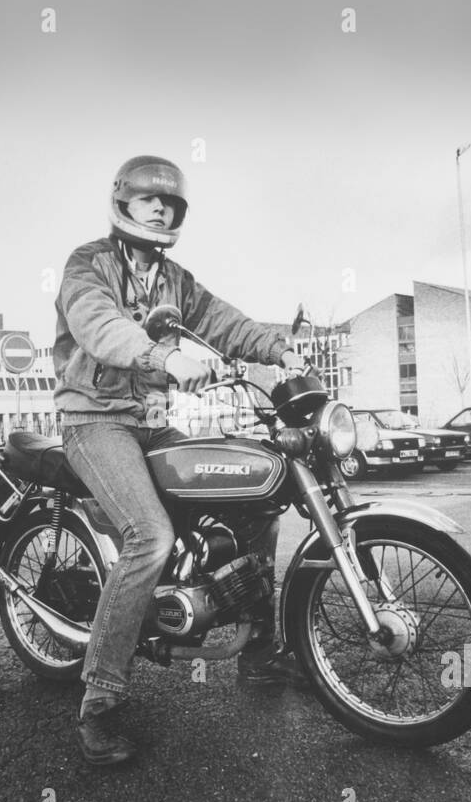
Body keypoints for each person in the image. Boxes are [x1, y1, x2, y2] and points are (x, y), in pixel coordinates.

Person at [53, 155, 308, 765]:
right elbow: (98, 323)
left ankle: (259, 653)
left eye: (169, 203)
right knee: (150, 535)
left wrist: (281, 349)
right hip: (95, 421)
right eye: (148, 200)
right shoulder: (88, 263)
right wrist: (159, 358)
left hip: (152, 424)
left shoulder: (175, 280)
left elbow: (224, 322)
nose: (160, 209)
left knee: (256, 510)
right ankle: (100, 703)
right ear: (123, 202)